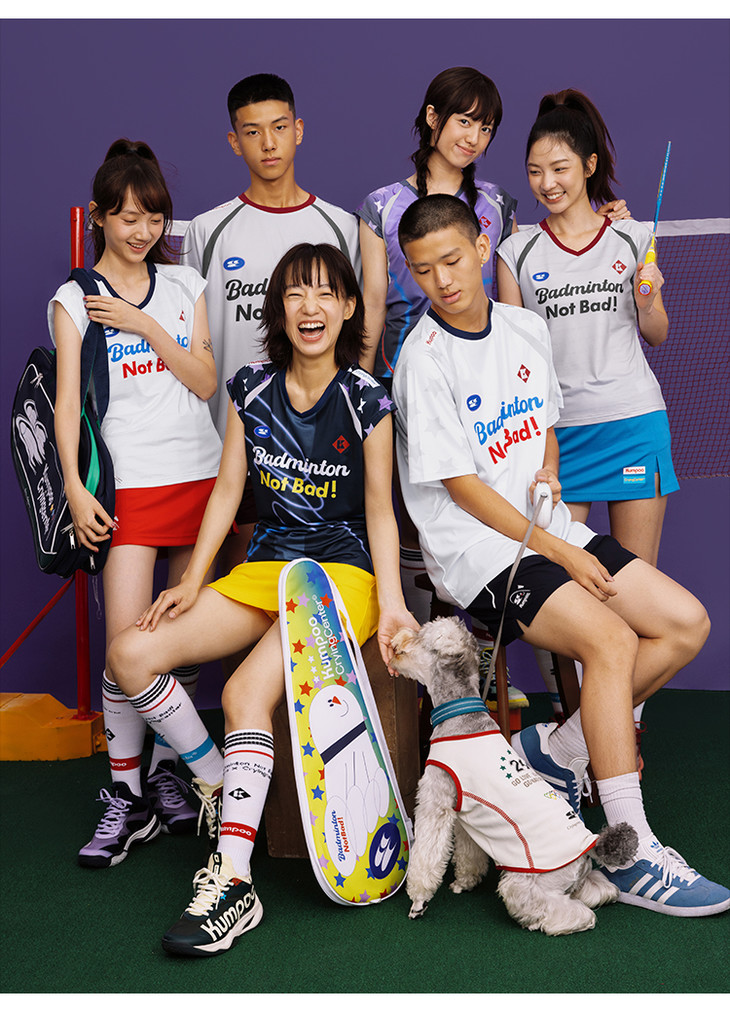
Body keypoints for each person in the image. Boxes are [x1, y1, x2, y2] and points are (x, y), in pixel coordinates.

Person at [391, 193, 729, 917]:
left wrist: (547, 466)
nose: (441, 280)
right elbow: (461, 488)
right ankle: (631, 851)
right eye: (422, 270)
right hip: (481, 552)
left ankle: (559, 751)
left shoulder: (522, 326)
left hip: (545, 529)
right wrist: (556, 548)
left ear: (482, 248)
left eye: (451, 259)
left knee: (685, 624)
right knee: (611, 641)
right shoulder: (421, 359)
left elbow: (542, 419)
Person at [106, 243, 417, 956]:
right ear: (278, 309)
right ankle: (219, 781)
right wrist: (194, 578)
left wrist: (394, 603)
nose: (311, 307)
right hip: (268, 566)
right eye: (295, 293)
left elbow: (380, 510)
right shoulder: (250, 387)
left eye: (326, 293)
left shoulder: (367, 397)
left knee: (244, 691)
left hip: (338, 577)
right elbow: (227, 491)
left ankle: (234, 882)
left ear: (348, 308)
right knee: (131, 654)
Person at [51, 139, 222, 864]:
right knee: (127, 651)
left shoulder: (185, 286)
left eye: (153, 218)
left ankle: (164, 778)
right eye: (127, 218)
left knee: (175, 643)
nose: (142, 231)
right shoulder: (75, 298)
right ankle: (134, 793)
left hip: (200, 478)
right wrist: (74, 485)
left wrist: (147, 325)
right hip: (128, 489)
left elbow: (207, 382)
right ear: (98, 217)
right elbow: (65, 406)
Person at [496, 89, 676, 737]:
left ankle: (617, 729)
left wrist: (648, 299)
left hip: (632, 425)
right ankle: (579, 723)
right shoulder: (515, 252)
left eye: (561, 168)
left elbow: (656, 332)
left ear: (589, 166)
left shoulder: (632, 235)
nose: (547, 183)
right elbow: (513, 357)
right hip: (556, 440)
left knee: (633, 590)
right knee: (567, 592)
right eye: (535, 171)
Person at [182, 72, 360, 574]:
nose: (268, 143)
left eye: (279, 127)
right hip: (228, 444)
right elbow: (188, 338)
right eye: (252, 131)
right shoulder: (207, 231)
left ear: (298, 130)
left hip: (319, 453)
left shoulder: (341, 228)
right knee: (233, 584)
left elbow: (355, 332)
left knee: (310, 592)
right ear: (233, 141)